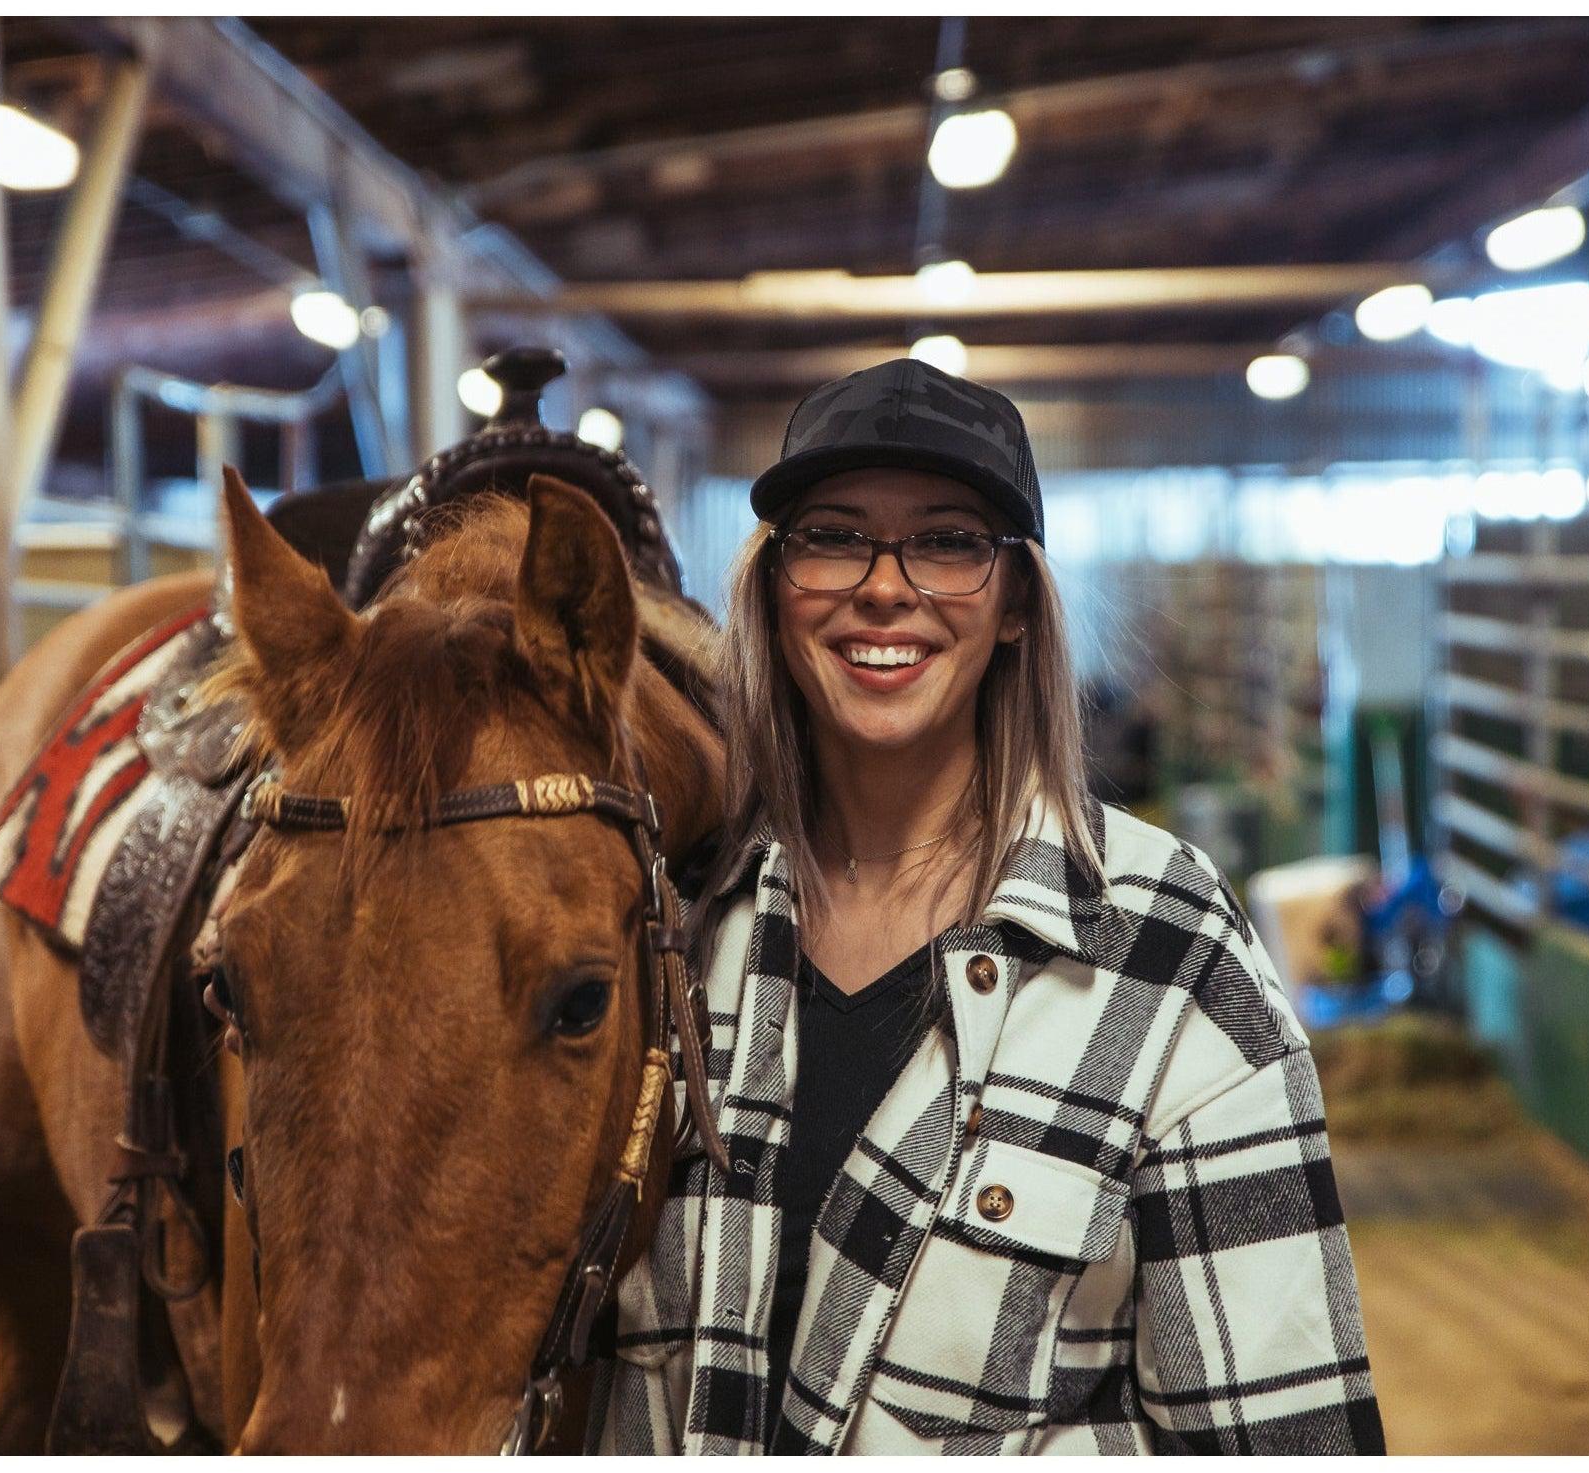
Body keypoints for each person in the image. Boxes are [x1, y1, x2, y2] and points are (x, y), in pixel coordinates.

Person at [593, 358, 1384, 1455]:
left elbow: (1285, 1438)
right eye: (833, 536)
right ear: (776, 588)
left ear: (1016, 602)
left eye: (948, 542)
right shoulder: (674, 927)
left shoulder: (1166, 953)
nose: (884, 586)